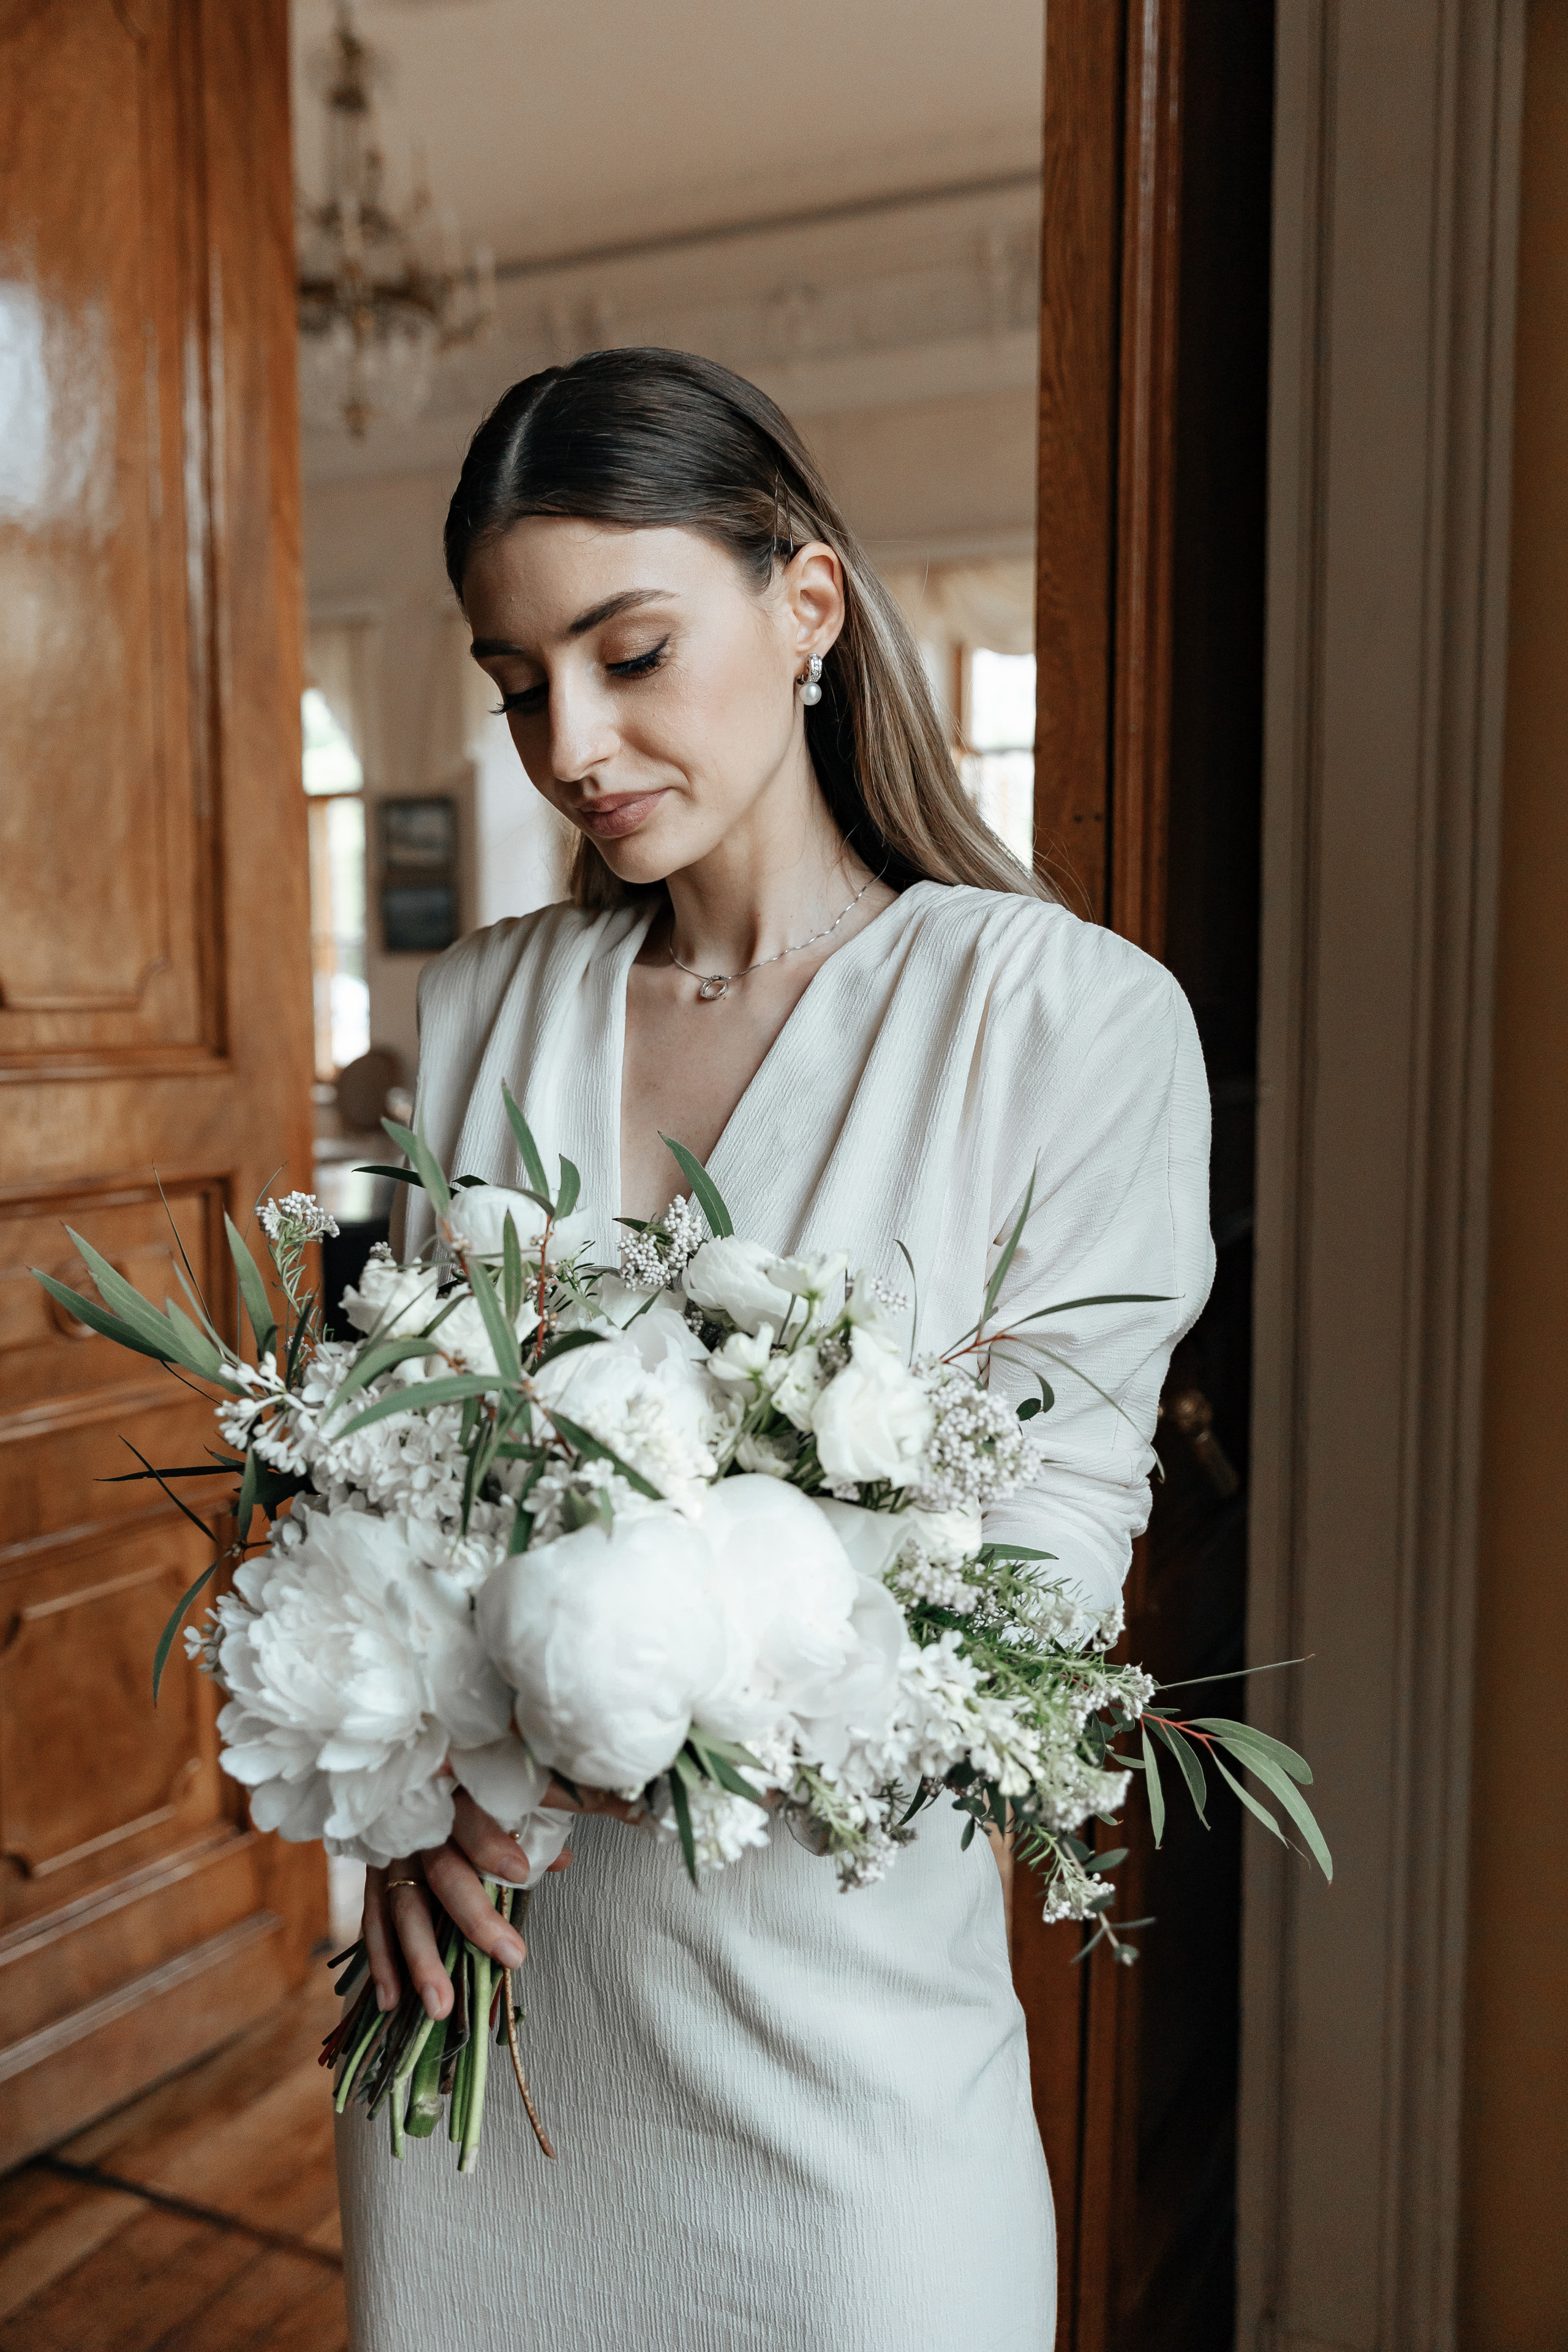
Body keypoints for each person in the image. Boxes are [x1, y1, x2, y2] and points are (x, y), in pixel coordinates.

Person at [336, 347, 1214, 2352]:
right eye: (514, 681)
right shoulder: (478, 1009)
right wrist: (397, 1799)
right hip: (487, 2027)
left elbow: (1045, 1585)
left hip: (840, 2068)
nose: (568, 739)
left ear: (806, 602)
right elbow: (392, 1489)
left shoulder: (1063, 1022)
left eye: (631, 652)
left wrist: (572, 1708)